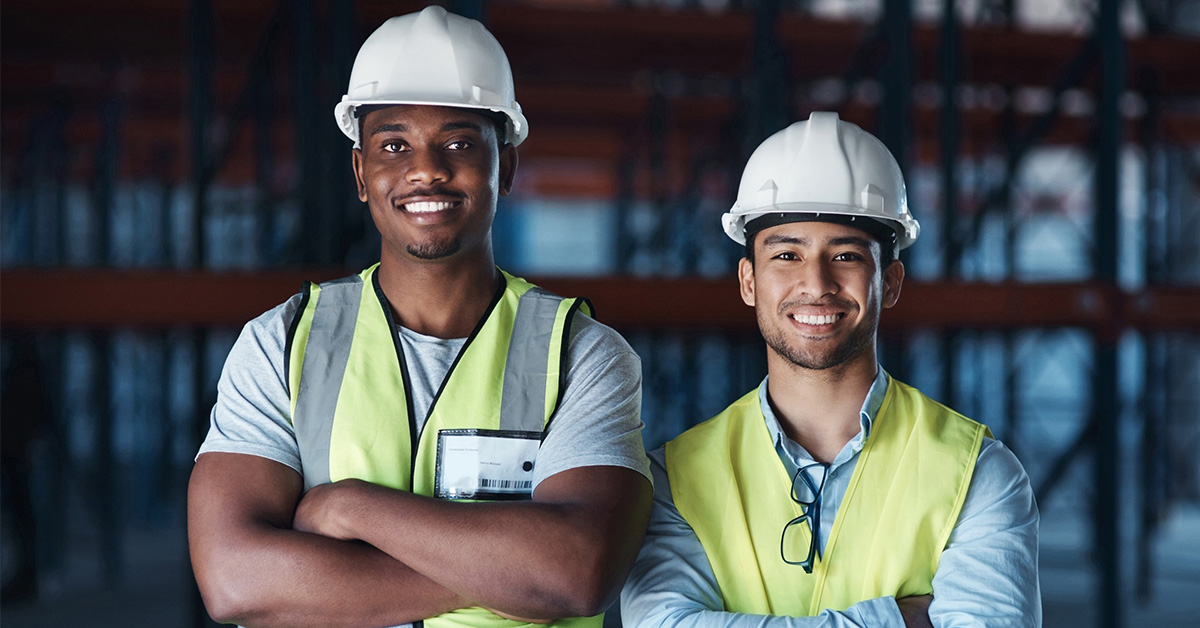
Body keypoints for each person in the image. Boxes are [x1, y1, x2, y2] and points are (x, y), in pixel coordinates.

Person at [188, 7, 652, 628]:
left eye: (458, 143)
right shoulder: (282, 343)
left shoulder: (582, 354)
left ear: (505, 166)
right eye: (394, 145)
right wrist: (509, 573)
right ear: (361, 173)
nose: (426, 169)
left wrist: (352, 509)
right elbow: (235, 580)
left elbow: (577, 572)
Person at [620, 112, 1041, 628]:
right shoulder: (673, 480)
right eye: (787, 255)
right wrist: (899, 620)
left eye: (845, 254)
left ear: (892, 281)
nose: (816, 283)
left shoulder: (978, 474)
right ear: (749, 281)